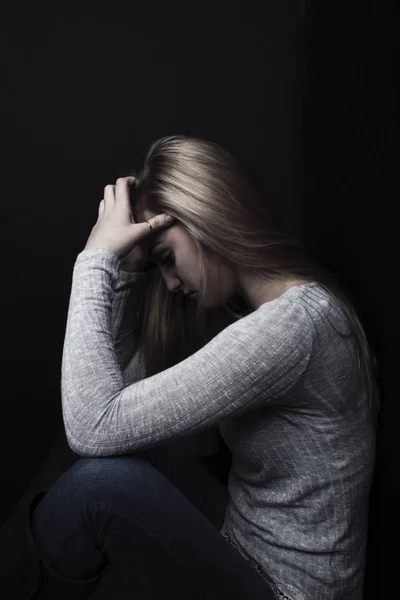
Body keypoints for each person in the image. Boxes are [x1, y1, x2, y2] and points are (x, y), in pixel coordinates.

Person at [16, 135, 379, 599]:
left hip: (286, 592)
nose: (168, 284)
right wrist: (128, 272)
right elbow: (113, 411)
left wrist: (94, 262)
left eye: (167, 258)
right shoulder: (252, 313)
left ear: (204, 215)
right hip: (240, 541)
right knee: (116, 460)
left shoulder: (294, 327)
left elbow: (92, 425)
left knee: (99, 489)